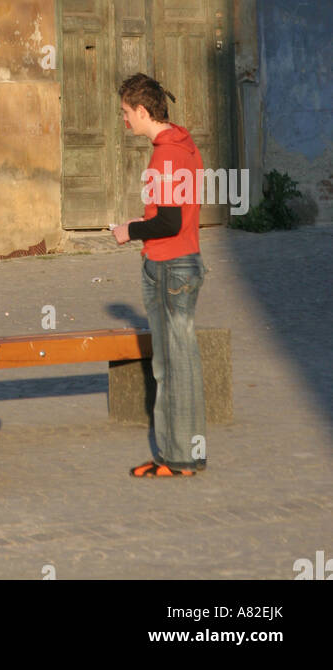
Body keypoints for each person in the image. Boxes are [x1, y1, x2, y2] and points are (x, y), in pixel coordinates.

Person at [111, 74, 207, 477]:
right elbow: (172, 213)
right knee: (180, 363)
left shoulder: (166, 155)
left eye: (126, 113)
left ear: (143, 111)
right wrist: (145, 219)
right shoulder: (182, 144)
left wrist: (129, 231)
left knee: (171, 367)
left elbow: (168, 221)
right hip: (182, 260)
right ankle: (184, 453)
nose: (124, 121)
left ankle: (177, 458)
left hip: (170, 266)